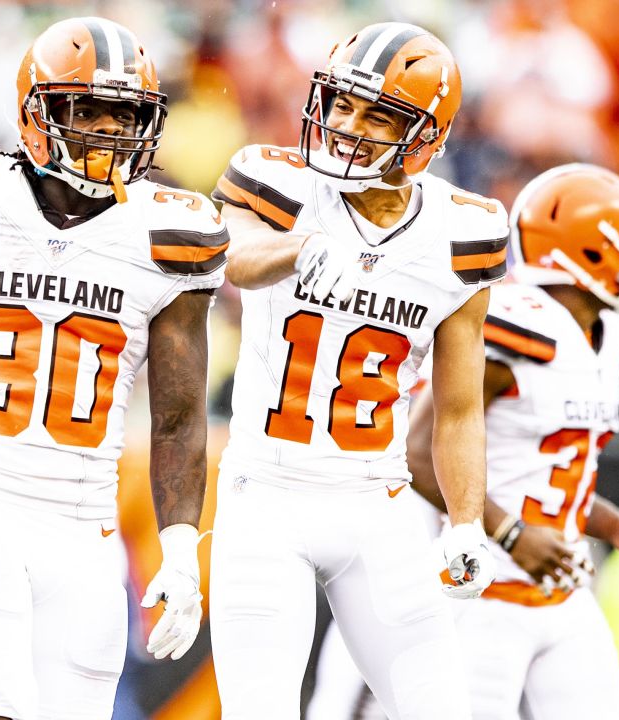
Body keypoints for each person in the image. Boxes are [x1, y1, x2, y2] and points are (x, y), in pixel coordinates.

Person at [0, 17, 225, 720]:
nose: (106, 132)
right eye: (86, 109)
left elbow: (179, 413)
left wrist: (180, 547)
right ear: (37, 111)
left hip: (84, 523)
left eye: (125, 116)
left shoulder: (171, 234)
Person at [209, 22, 508, 719]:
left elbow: (459, 404)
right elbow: (233, 255)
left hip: (378, 502)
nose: (347, 124)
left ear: (428, 138)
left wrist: (466, 523)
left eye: (378, 114)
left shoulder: (464, 232)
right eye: (342, 102)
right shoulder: (274, 179)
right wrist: (300, 249)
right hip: (266, 494)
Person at [406, 163, 619, 719]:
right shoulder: (513, 326)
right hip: (481, 597)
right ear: (589, 250)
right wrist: (510, 537)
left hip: (563, 597)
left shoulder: (605, 338)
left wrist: (613, 526)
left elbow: (546, 478)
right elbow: (413, 454)